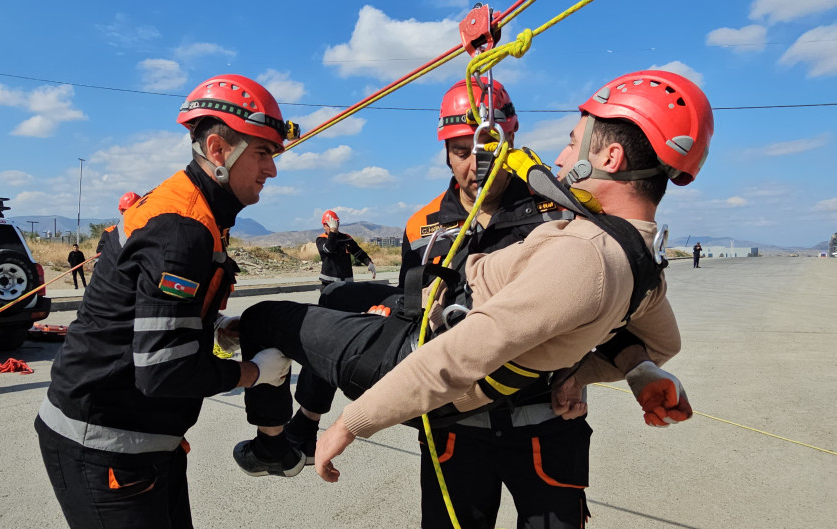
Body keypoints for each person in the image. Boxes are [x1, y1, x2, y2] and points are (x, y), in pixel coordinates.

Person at [232, 71, 702, 495]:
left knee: (269, 319)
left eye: (487, 148)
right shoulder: (426, 225)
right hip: (450, 408)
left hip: (518, 409)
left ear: (509, 141)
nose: (475, 164)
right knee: (336, 296)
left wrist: (352, 423)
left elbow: (550, 320)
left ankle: (287, 438)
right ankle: (302, 425)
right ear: (445, 153)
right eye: (461, 152)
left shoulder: (565, 220)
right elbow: (416, 306)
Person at [35, 73, 299, 529]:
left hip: (143, 442)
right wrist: (255, 373)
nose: (272, 170)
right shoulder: (182, 228)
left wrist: (211, 325)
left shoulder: (192, 208)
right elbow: (163, 370)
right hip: (105, 445)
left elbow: (141, 307)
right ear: (218, 149)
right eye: (263, 153)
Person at [316, 210, 376, 291]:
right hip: (329, 283)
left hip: (347, 282)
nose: (333, 226)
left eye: (335, 223)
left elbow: (358, 251)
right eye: (329, 224)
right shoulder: (321, 239)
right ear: (324, 226)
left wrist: (369, 262)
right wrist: (333, 232)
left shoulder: (346, 238)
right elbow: (329, 249)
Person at [94, 191, 141, 260]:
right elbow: (99, 258)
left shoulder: (147, 231)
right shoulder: (109, 232)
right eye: (129, 211)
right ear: (121, 211)